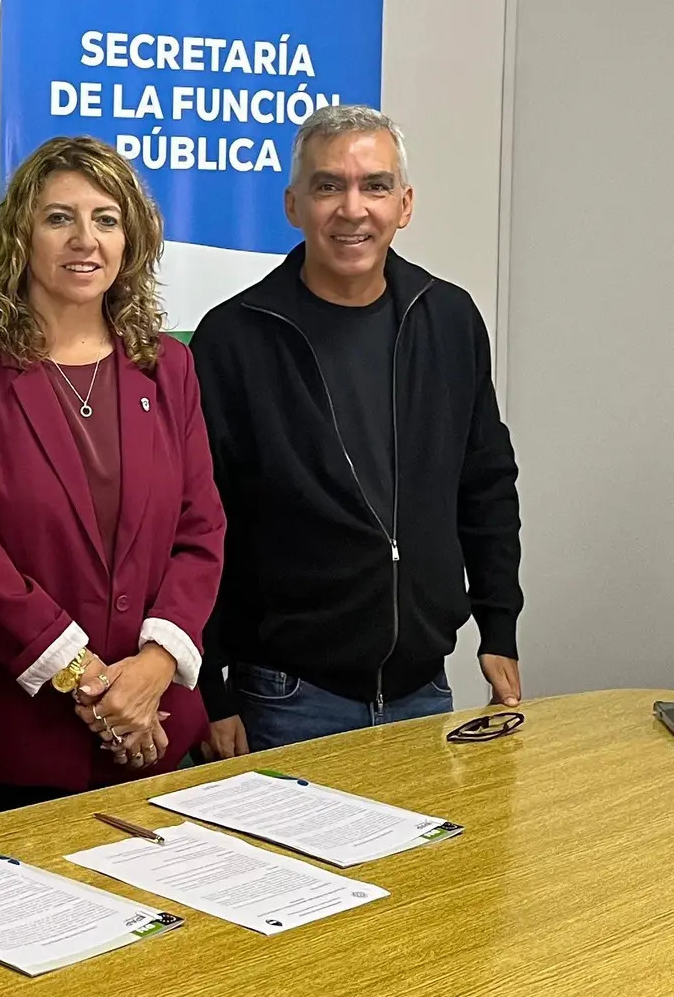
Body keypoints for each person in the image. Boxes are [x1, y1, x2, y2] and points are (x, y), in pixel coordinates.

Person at [0, 136, 225, 822]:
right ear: (22, 235)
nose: (85, 239)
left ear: (130, 240)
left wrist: (154, 668)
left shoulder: (167, 366)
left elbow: (201, 529)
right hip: (18, 747)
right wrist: (86, 678)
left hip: (156, 733)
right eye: (59, 218)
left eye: (106, 219)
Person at [193, 104, 523, 758]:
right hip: (284, 700)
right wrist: (210, 690)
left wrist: (498, 624)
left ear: (405, 205)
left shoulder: (448, 319)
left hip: (424, 693)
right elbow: (201, 521)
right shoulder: (234, 339)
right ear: (293, 205)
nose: (353, 209)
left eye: (374, 186)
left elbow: (485, 482)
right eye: (328, 186)